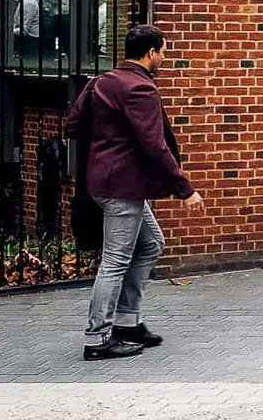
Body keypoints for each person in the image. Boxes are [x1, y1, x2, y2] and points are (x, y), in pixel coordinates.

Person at [65, 24, 201, 361]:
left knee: (152, 244)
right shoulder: (141, 89)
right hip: (123, 187)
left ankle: (126, 322)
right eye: (164, 51)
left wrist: (108, 139)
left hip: (106, 182)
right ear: (152, 52)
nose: (164, 58)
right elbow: (155, 145)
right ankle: (98, 339)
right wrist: (184, 189)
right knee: (114, 260)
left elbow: (71, 125)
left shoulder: (101, 82)